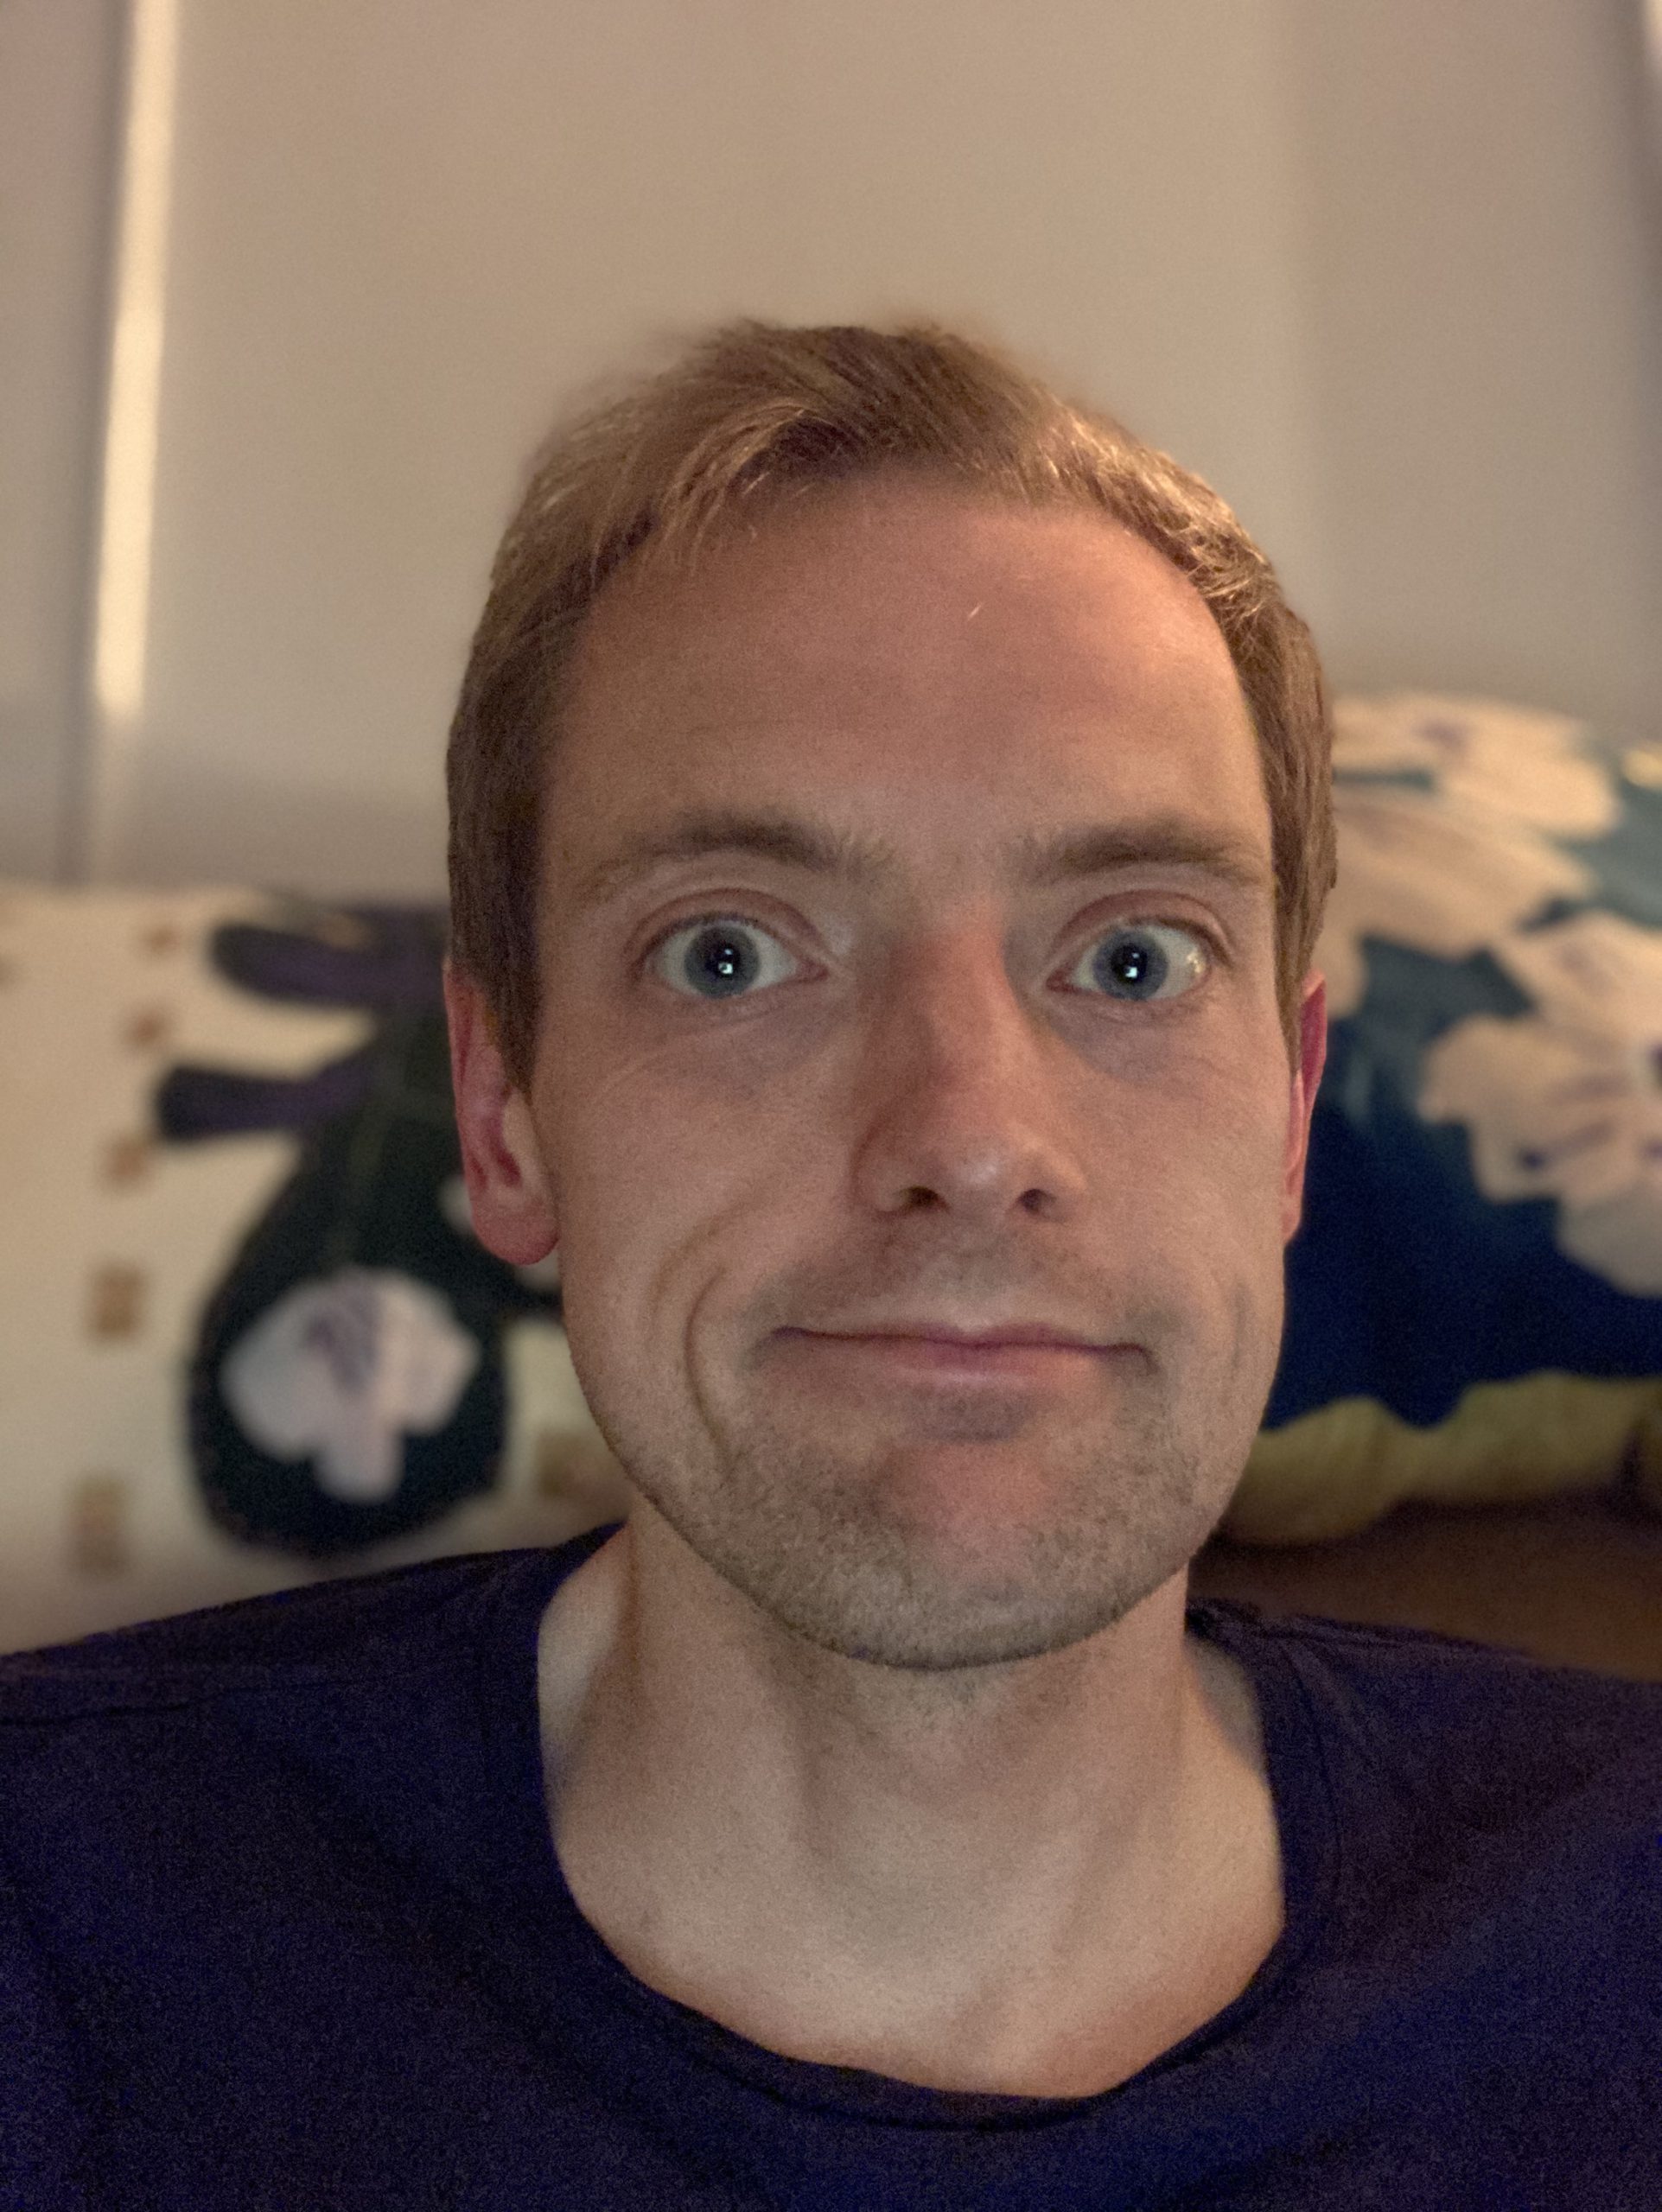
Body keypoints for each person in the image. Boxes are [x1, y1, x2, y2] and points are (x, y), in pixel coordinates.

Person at [3, 321, 1658, 2210]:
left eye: (1132, 959)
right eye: (730, 953)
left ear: (1285, 1117)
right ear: (502, 1113)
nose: (968, 1135)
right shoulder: (52, 1937)